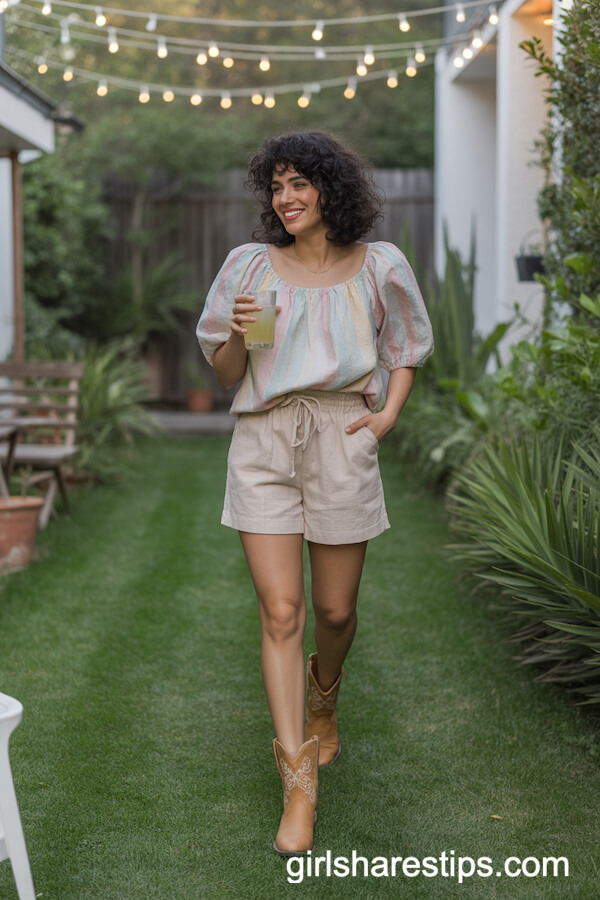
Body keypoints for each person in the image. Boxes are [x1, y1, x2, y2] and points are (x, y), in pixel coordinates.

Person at [196, 131, 433, 857]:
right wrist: (238, 335)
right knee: (282, 609)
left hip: (341, 437)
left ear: (331, 189)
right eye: (276, 185)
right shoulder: (251, 268)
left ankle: (324, 691)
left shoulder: (380, 266)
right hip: (265, 439)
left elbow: (405, 347)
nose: (286, 197)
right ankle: (299, 781)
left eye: (300, 182)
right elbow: (229, 373)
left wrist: (387, 415)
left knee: (335, 610)